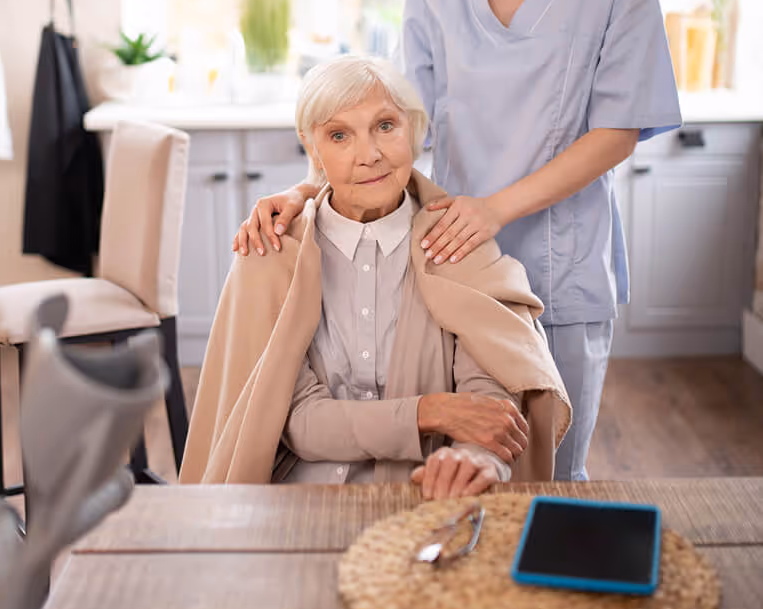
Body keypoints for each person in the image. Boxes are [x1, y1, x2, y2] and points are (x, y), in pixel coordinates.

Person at [233, 0, 681, 482]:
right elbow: (399, 134)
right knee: (462, 474)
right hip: (453, 272)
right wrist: (305, 191)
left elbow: (616, 132)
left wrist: (494, 210)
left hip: (560, 272)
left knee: (550, 474)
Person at [182, 55, 571, 499]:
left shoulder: (459, 244)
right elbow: (299, 423)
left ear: (413, 132)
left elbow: (489, 396)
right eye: (339, 135)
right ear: (314, 150)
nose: (369, 155)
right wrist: (431, 412)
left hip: (426, 496)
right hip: (296, 501)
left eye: (385, 126)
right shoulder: (272, 255)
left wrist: (472, 457)